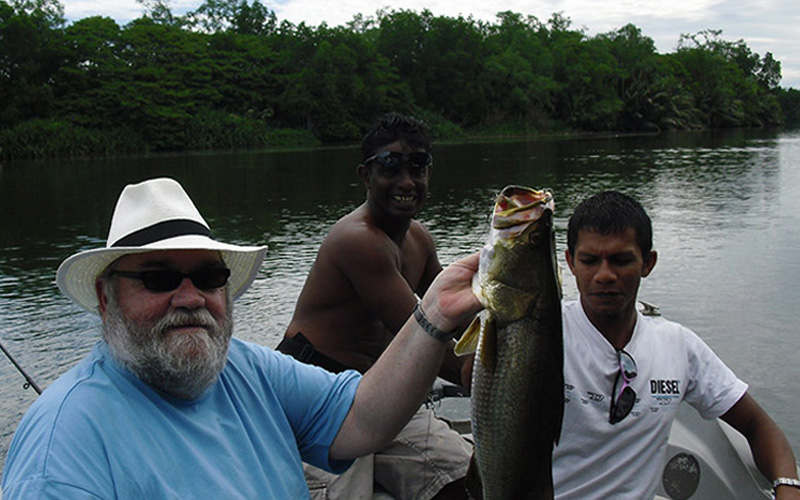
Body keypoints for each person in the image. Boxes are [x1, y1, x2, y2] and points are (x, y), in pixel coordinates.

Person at [0, 177, 483, 499]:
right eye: (159, 278)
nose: (189, 297)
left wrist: (433, 315)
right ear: (107, 300)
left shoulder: (247, 369)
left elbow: (361, 420)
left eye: (209, 276)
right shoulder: (62, 448)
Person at [277, 113, 473, 500]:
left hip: (379, 392)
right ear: (365, 176)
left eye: (417, 166)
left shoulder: (418, 238)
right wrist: (486, 376)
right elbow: (425, 335)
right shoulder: (358, 240)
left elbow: (456, 316)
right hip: (318, 395)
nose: (406, 181)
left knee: (466, 483)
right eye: (390, 166)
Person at [555, 190, 800, 499]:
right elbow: (473, 377)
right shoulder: (539, 333)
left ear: (648, 263)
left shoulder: (678, 346)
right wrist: (471, 310)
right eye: (590, 260)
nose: (604, 275)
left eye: (621, 260)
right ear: (570, 263)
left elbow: (756, 425)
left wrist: (788, 488)